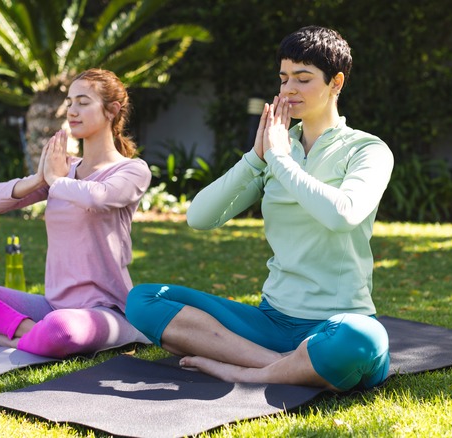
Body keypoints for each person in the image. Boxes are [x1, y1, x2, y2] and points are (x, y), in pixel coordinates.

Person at [126, 25, 394, 391]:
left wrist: (281, 159)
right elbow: (200, 218)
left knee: (362, 339)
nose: (289, 90)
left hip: (337, 323)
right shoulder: (272, 152)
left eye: (303, 78)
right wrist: (256, 158)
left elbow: (342, 214)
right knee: (143, 299)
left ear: (337, 83)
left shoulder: (367, 150)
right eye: (284, 79)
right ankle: (284, 366)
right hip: (270, 323)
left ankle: (243, 368)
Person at [0, 69, 151, 357]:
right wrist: (39, 179)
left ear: (112, 110)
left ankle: (9, 338)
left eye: (83, 102)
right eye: (70, 101)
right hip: (53, 305)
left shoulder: (131, 170)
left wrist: (55, 180)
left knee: (61, 330)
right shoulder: (62, 172)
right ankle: (29, 331)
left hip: (105, 310)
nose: (72, 111)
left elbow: (99, 198)